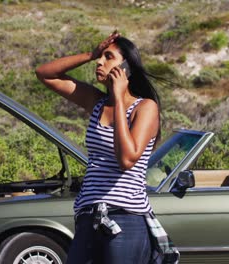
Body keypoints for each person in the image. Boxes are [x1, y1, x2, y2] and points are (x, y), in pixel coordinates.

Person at [36, 31, 178, 263]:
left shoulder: (145, 108)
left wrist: (120, 99)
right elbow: (45, 73)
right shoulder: (97, 102)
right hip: (88, 216)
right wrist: (89, 53)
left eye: (108, 57)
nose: (100, 62)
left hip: (125, 219)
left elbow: (127, 159)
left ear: (125, 68)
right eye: (100, 57)